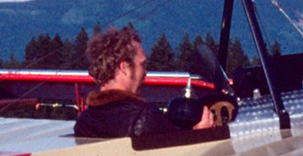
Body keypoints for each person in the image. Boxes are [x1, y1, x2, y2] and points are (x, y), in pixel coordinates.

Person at [73, 26, 215, 139]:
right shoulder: (144, 117)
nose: (145, 72)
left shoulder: (84, 121)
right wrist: (199, 135)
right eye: (142, 65)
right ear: (124, 68)